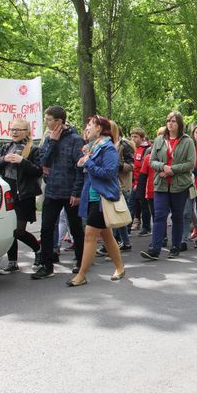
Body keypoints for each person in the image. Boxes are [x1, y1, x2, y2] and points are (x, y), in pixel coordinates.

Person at [66, 116, 125, 286]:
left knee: (90, 234)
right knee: (106, 235)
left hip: (102, 198)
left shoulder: (108, 148)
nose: (86, 128)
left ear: (99, 128)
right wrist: (84, 161)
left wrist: (88, 162)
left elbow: (108, 172)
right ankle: (120, 267)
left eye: (90, 125)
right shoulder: (92, 148)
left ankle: (82, 274)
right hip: (92, 198)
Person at [32, 105, 85, 280]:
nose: (45, 122)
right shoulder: (48, 139)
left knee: (76, 228)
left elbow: (80, 169)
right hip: (53, 191)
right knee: (46, 228)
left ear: (59, 121)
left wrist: (77, 193)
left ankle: (81, 261)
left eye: (48, 119)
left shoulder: (76, 139)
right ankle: (47, 265)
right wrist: (53, 141)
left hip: (70, 191)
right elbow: (43, 161)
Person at [141, 111, 196, 261]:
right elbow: (152, 161)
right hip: (161, 184)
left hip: (180, 185)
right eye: (168, 121)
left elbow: (191, 163)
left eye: (174, 121)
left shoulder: (187, 141)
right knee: (159, 216)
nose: (170, 123)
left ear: (179, 124)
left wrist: (173, 170)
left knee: (177, 216)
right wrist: (164, 167)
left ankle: (175, 247)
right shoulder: (159, 140)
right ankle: (155, 249)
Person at [0, 119, 43, 275]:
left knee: (18, 231)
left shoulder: (34, 149)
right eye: (12, 129)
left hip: (24, 195)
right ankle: (12, 262)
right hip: (7, 195)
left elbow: (38, 171)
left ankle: (38, 249)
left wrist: (22, 161)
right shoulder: (5, 147)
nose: (14, 132)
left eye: (18, 129)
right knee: (9, 230)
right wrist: (3, 159)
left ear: (26, 131)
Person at [108, 121, 134, 254]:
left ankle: (113, 243)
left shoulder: (124, 145)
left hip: (122, 184)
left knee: (117, 214)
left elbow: (131, 165)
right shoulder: (106, 144)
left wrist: (114, 166)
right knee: (118, 214)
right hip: (111, 184)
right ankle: (124, 242)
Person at [130, 127, 151, 234]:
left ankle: (146, 227)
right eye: (132, 136)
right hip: (133, 182)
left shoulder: (146, 149)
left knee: (143, 205)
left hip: (142, 182)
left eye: (136, 137)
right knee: (133, 204)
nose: (133, 139)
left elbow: (144, 168)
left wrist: (138, 184)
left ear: (142, 138)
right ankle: (129, 227)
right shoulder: (134, 148)